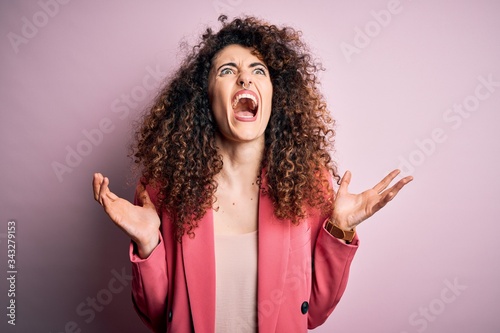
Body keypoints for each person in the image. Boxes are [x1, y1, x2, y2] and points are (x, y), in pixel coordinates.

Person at [92, 15, 412, 333]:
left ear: (275, 94)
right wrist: (148, 243)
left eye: (258, 70)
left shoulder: (307, 185)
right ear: (205, 97)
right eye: (228, 70)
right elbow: (159, 317)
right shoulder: (165, 189)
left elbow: (313, 313)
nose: (245, 79)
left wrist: (340, 229)